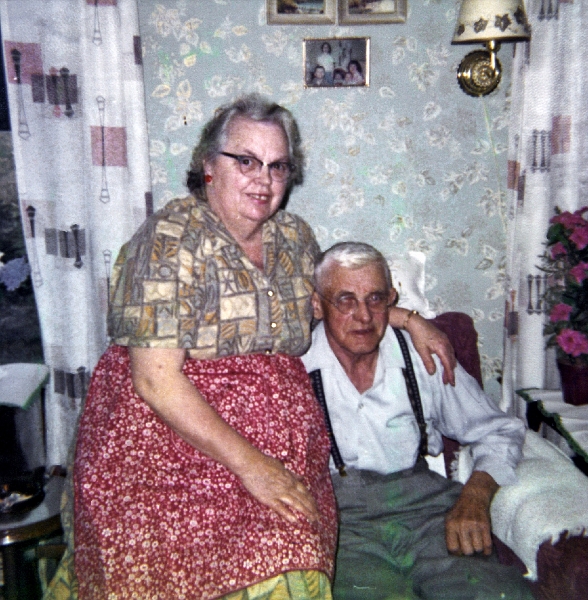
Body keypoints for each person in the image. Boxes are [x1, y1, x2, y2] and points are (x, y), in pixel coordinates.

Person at [47, 96, 456, 600]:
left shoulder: (294, 238)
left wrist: (409, 319)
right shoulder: (170, 239)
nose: (264, 180)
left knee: (293, 551)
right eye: (246, 161)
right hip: (168, 453)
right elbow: (155, 380)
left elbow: (335, 305)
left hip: (273, 455)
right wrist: (253, 467)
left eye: (277, 166)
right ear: (208, 166)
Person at [301, 242, 534, 600]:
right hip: (340, 523)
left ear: (391, 299)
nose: (364, 316)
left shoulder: (423, 356)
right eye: (345, 300)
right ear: (317, 304)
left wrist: (475, 495)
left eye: (375, 299)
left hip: (429, 513)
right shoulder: (293, 366)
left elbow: (499, 431)